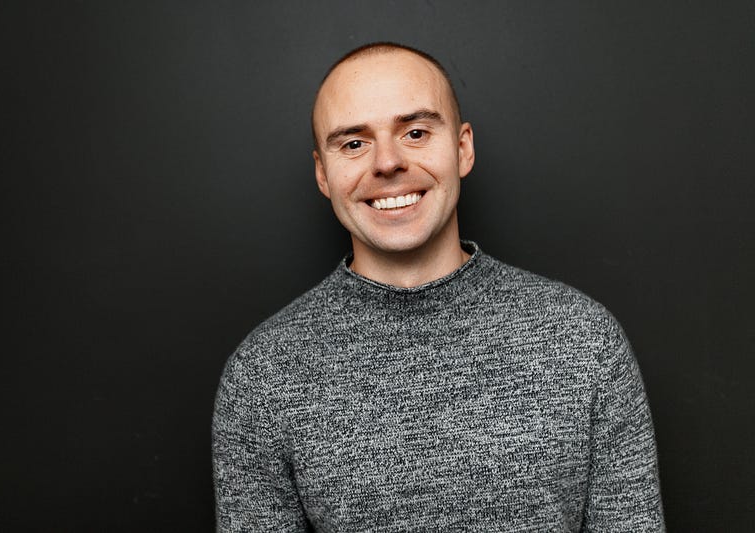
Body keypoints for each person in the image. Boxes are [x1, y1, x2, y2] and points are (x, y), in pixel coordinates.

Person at [212, 42, 665, 531]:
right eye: (354, 143)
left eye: (415, 132)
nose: (388, 162)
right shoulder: (262, 376)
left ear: (462, 148)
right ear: (323, 173)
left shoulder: (585, 340)